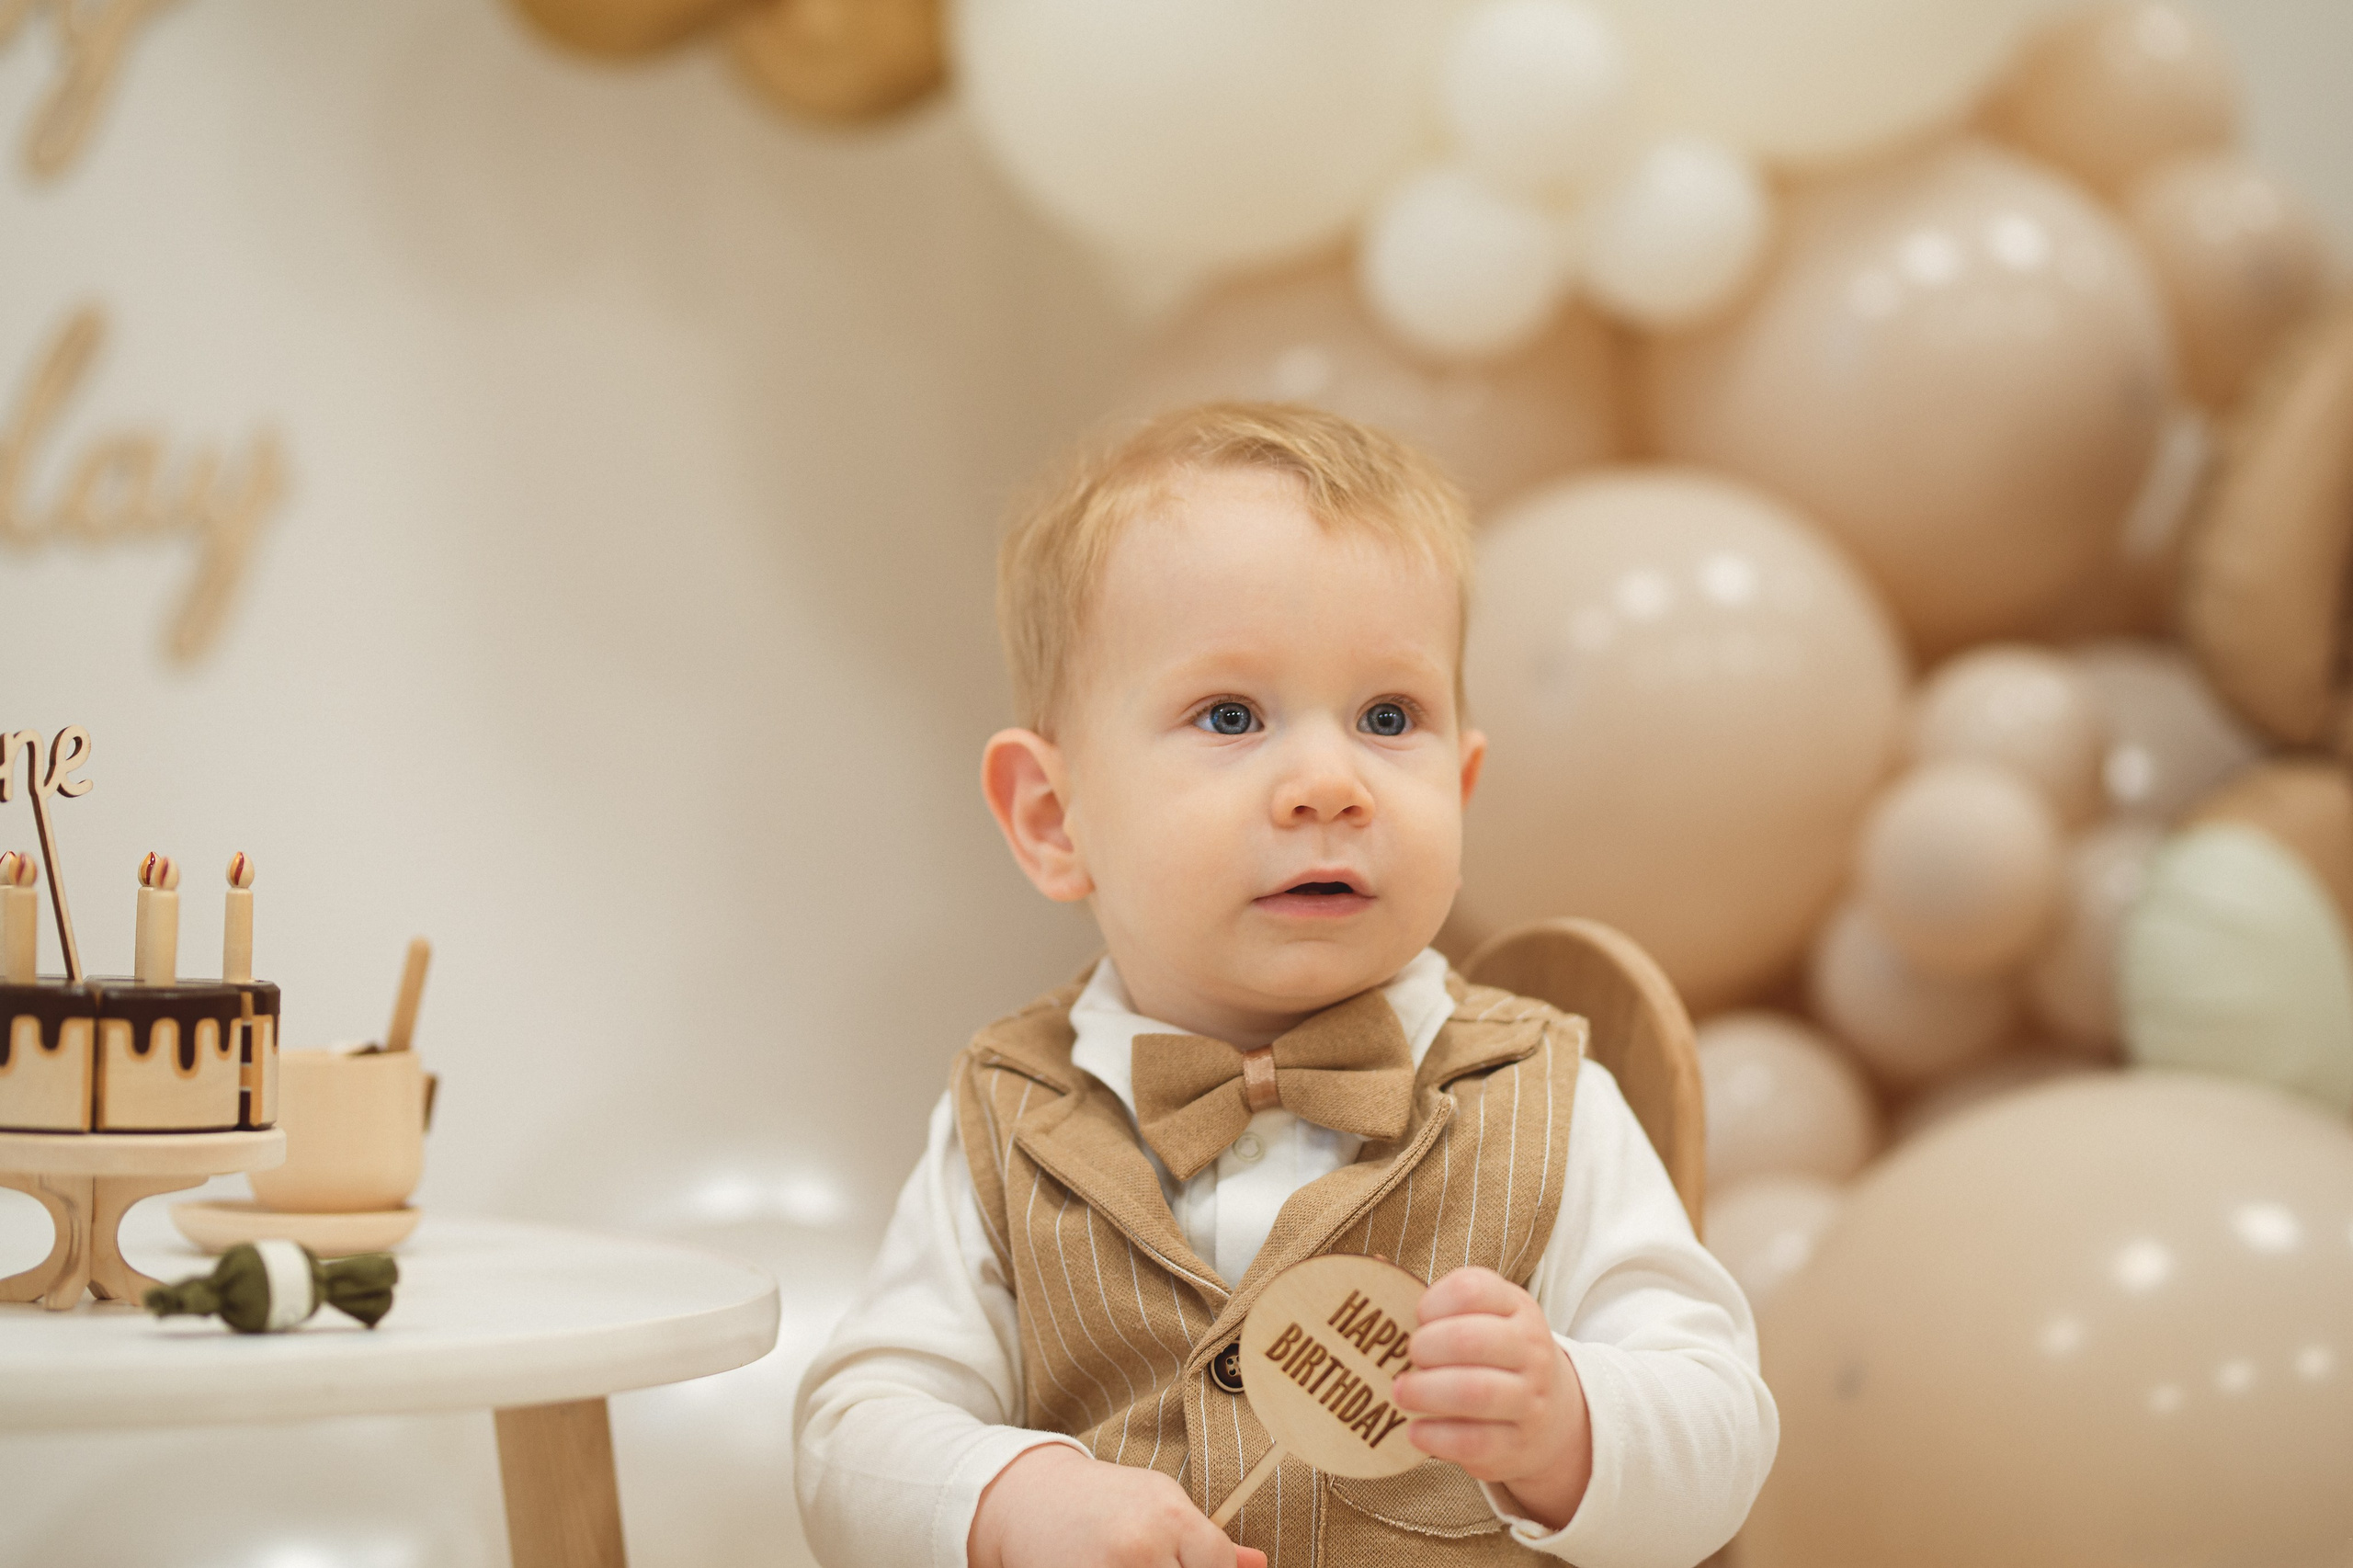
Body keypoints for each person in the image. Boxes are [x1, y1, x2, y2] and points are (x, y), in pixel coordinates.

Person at [793, 403, 1776, 1568]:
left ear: (1460, 785)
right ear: (1054, 819)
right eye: (1230, 714)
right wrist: (1010, 1496)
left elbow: (1721, 1419)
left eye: (1387, 717)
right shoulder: (1007, 1114)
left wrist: (1571, 1420)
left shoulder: (1541, 1096)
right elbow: (852, 1431)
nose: (1329, 781)